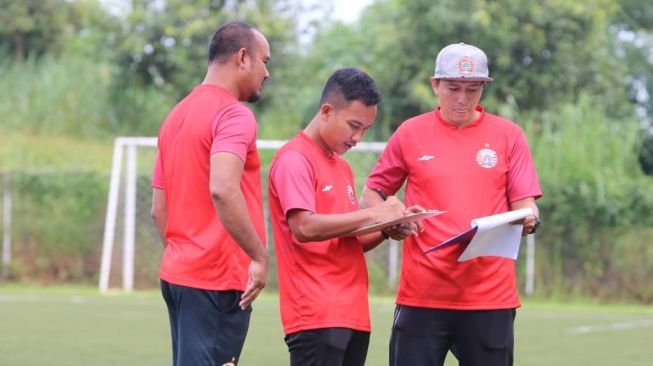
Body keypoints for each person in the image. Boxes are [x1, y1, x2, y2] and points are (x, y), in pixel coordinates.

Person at [359, 43, 543, 366]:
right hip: (422, 294)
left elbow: (528, 207)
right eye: (453, 88)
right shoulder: (410, 133)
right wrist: (392, 220)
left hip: (489, 297)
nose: (462, 98)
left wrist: (528, 220)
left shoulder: (509, 135)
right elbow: (372, 194)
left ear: (484, 87)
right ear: (435, 85)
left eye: (473, 89)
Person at [268, 68, 423, 366]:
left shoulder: (342, 168)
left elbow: (350, 240)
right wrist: (374, 212)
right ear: (326, 111)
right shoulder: (294, 159)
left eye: (365, 128)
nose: (358, 137)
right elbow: (303, 227)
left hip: (352, 313)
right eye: (354, 125)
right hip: (316, 314)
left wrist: (388, 227)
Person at [150, 21, 271, 366]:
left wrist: (185, 254)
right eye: (265, 61)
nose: (267, 73)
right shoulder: (234, 115)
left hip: (179, 277)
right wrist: (259, 257)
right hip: (217, 279)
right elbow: (223, 187)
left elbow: (159, 208)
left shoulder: (175, 116)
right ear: (243, 57)